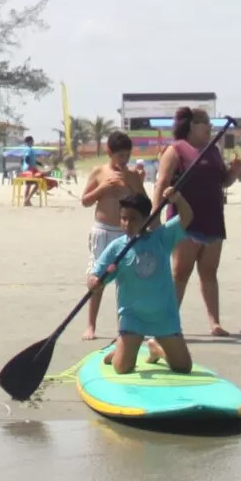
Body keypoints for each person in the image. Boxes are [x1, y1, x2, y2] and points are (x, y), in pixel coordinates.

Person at [94, 190, 191, 376]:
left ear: (147, 218)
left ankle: (156, 348)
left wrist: (177, 199)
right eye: (123, 219)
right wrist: (95, 283)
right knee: (122, 368)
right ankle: (120, 351)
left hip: (164, 315)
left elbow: (187, 217)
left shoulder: (162, 237)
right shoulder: (117, 248)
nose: (127, 224)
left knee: (183, 367)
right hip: (132, 317)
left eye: (133, 219)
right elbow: (95, 277)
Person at [153, 107, 232, 336]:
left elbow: (223, 181)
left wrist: (234, 172)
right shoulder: (175, 150)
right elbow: (161, 183)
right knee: (181, 272)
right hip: (184, 220)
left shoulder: (213, 150)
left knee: (209, 271)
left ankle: (215, 322)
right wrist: (156, 216)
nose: (210, 127)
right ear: (192, 125)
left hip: (213, 219)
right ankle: (168, 323)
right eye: (205, 122)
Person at [77, 130, 146, 341]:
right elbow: (85, 200)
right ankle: (91, 325)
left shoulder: (132, 174)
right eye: (120, 156)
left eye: (127, 156)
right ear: (109, 153)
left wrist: (133, 183)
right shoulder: (99, 172)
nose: (124, 161)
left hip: (126, 232)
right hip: (103, 230)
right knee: (97, 278)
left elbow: (144, 202)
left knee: (127, 279)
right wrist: (103, 188)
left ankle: (127, 327)